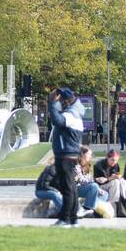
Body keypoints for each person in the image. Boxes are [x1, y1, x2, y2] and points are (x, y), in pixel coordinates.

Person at [47, 88, 85, 228]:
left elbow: (57, 121)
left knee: (67, 187)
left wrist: (51, 104)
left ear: (67, 101)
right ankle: (73, 218)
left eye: (62, 99)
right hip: (69, 155)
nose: (60, 102)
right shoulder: (76, 115)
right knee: (71, 187)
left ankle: (65, 218)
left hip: (66, 156)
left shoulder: (71, 116)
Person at [75, 146, 102, 217]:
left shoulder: (87, 165)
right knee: (94, 186)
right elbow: (81, 180)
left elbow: (90, 178)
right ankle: (86, 208)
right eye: (89, 154)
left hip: (84, 187)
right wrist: (93, 181)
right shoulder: (76, 165)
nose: (90, 156)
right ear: (83, 154)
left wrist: (98, 188)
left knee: (104, 193)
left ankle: (93, 207)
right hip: (76, 188)